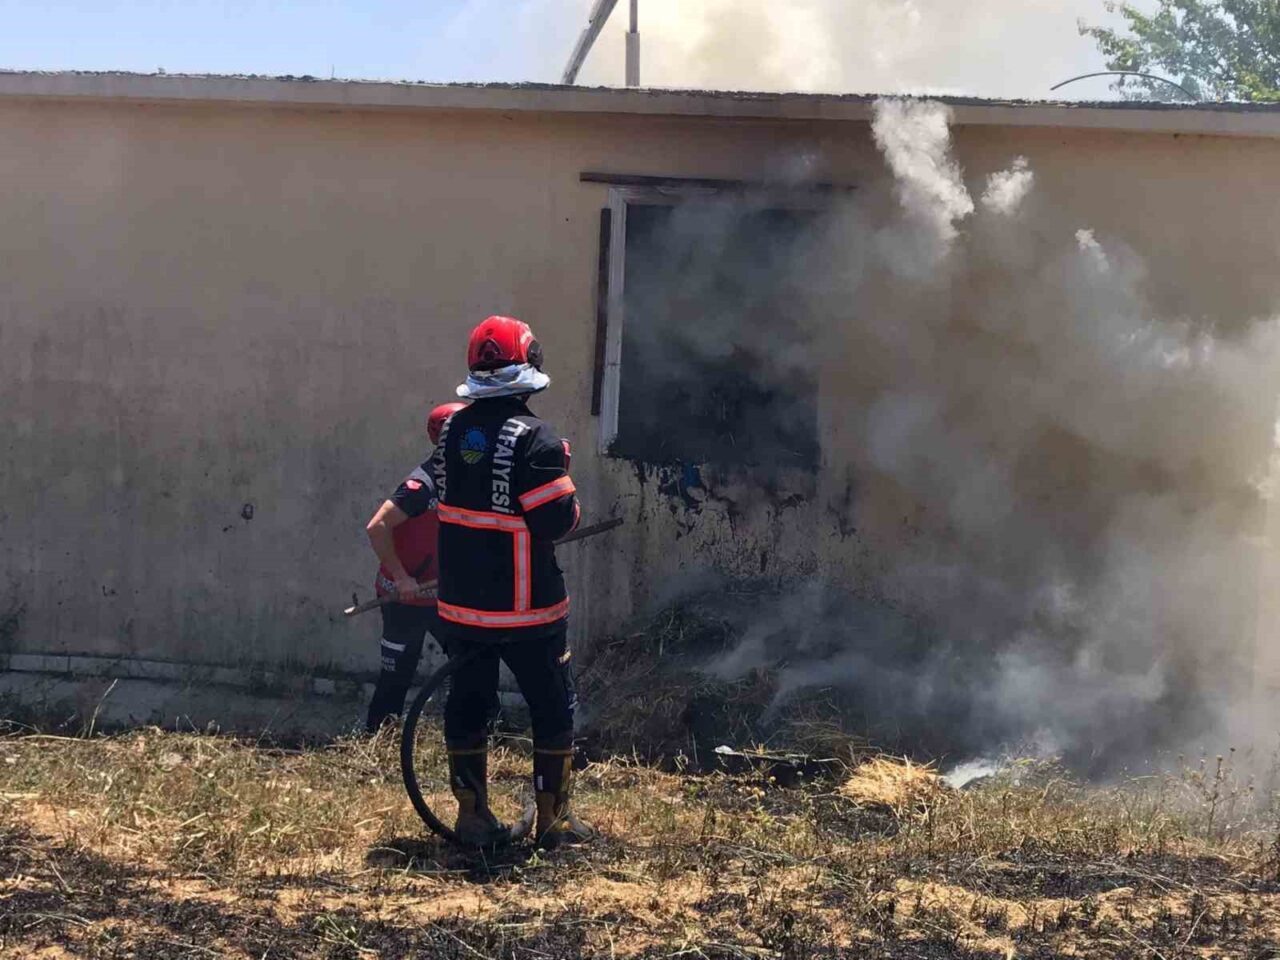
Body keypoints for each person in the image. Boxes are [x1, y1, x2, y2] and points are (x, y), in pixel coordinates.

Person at [431, 315, 593, 848]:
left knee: (468, 703)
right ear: (531, 366)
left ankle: (472, 818)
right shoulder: (539, 440)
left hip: (462, 608)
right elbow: (556, 522)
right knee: (551, 707)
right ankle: (551, 822)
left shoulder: (451, 428)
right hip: (528, 610)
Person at [362, 401, 467, 733]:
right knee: (397, 676)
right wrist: (401, 577)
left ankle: (479, 732)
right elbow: (377, 527)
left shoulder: (465, 476)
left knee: (469, 663)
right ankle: (378, 739)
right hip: (403, 598)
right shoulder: (421, 486)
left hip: (442, 595)